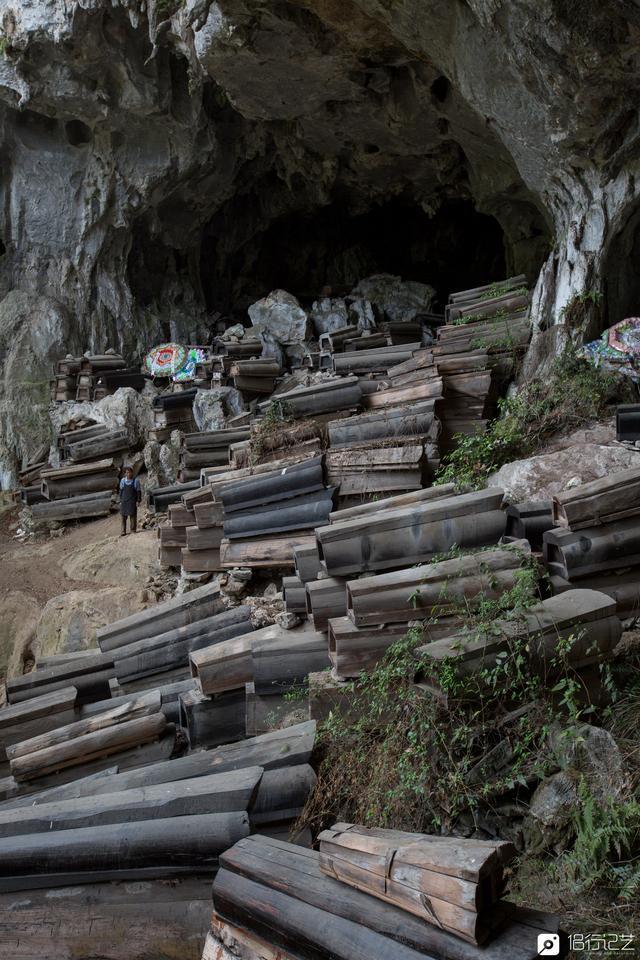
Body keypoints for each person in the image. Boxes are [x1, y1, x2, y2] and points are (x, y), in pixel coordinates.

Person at [119, 466, 142, 536]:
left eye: (129, 472)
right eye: (126, 473)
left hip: (132, 500)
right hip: (124, 500)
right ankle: (123, 531)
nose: (128, 474)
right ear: (125, 474)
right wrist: (120, 500)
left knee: (133, 515)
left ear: (132, 473)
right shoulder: (122, 481)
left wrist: (138, 501)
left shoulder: (136, 481)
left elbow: (138, 492)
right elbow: (121, 491)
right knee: (123, 516)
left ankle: (133, 530)